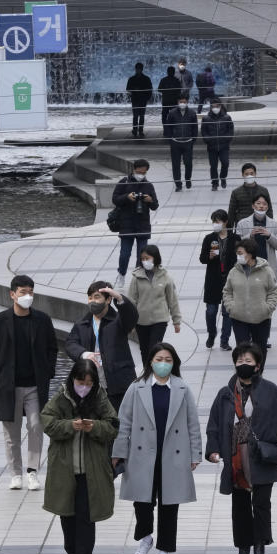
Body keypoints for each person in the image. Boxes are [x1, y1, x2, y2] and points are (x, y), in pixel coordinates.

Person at [205, 342, 277, 554]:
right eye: (239, 361)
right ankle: (243, 548)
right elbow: (214, 425)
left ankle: (260, 548)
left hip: (261, 457)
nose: (243, 365)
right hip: (236, 457)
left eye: (248, 361)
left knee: (261, 504)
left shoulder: (272, 392)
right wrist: (212, 450)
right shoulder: (225, 394)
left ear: (258, 366)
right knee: (239, 505)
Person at [112, 343, 201, 554]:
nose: (163, 364)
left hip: (173, 454)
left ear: (175, 363)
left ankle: (165, 550)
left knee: (170, 505)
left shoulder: (182, 388)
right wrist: (119, 452)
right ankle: (145, 537)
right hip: (142, 455)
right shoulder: (137, 387)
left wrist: (196, 453)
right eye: (159, 359)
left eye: (168, 360)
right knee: (142, 502)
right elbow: (124, 422)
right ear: (150, 361)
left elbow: (192, 423)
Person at [41, 359, 119, 554]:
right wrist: (68, 426)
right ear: (72, 379)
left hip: (91, 469)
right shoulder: (62, 396)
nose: (84, 386)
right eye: (80, 381)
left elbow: (113, 425)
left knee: (87, 515)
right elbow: (47, 421)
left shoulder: (100, 397)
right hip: (65, 468)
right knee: (67, 514)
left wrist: (94, 427)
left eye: (88, 382)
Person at [0, 275, 58, 490]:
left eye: (31, 292)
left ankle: (32, 472)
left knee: (36, 425)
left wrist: (49, 370)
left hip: (35, 384)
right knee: (11, 432)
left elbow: (52, 348)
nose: (27, 296)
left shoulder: (42, 320)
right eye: (23, 292)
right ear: (12, 294)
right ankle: (15, 474)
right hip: (9, 386)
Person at [65, 281, 139, 413]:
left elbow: (132, 316)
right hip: (91, 384)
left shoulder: (118, 321)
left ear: (108, 299)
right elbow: (70, 344)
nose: (92, 301)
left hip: (118, 384)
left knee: (118, 424)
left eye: (97, 297)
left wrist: (120, 298)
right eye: (90, 297)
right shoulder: (82, 323)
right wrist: (84, 354)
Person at [222, 239, 277, 352]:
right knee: (243, 351)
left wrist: (268, 308)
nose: (238, 256)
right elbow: (227, 291)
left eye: (240, 253)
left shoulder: (266, 271)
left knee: (260, 350)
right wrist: (231, 307)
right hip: (239, 318)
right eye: (237, 253)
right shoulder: (234, 271)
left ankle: (258, 369)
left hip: (261, 319)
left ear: (250, 253)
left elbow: (273, 290)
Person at [126, 245, 182, 358]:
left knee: (154, 349)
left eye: (147, 258)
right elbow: (131, 301)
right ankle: (147, 374)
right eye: (142, 259)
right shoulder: (136, 277)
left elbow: (172, 300)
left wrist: (176, 321)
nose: (145, 261)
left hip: (159, 320)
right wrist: (130, 322)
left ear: (155, 258)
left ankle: (153, 373)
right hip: (141, 321)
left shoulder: (165, 277)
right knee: (144, 350)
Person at [112, 159, 159, 290]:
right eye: (139, 172)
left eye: (144, 173)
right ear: (134, 170)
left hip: (143, 224)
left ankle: (139, 278)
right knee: (125, 254)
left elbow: (155, 205)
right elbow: (115, 199)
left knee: (142, 255)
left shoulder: (148, 185)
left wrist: (149, 200)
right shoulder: (124, 182)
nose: (141, 174)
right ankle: (121, 274)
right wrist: (127, 197)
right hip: (126, 224)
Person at [200, 210, 241, 351]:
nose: (215, 224)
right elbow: (202, 258)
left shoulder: (235, 238)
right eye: (214, 221)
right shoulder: (209, 238)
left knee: (227, 311)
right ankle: (211, 334)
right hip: (213, 279)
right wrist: (209, 256)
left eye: (218, 221)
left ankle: (225, 340)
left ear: (225, 222)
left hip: (229, 279)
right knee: (211, 310)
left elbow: (240, 257)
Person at [234, 193, 277, 281]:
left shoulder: (274, 224)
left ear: (267, 207)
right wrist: (250, 235)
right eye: (258, 203)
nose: (261, 206)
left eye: (264, 204)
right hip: (248, 265)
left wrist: (269, 236)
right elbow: (236, 245)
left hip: (267, 266)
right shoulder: (242, 223)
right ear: (253, 206)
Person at [165, 96, 198, 192]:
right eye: (180, 101)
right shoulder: (172, 113)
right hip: (175, 143)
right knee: (175, 165)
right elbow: (168, 127)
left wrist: (193, 139)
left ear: (187, 102)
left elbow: (195, 127)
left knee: (188, 163)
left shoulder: (192, 112)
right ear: (178, 102)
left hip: (188, 142)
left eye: (184, 102)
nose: (182, 103)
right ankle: (178, 184)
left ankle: (188, 179)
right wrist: (170, 139)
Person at [201, 98, 233, 191]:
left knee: (225, 163)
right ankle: (214, 183)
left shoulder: (227, 117)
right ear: (210, 107)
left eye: (217, 106)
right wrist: (208, 140)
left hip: (224, 146)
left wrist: (227, 139)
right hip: (212, 147)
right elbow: (204, 131)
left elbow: (230, 130)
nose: (215, 108)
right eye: (213, 106)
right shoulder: (206, 118)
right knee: (213, 166)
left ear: (220, 106)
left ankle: (223, 177)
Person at [126, 62, 153, 138]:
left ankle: (140, 130)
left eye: (139, 69)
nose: (138, 70)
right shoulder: (133, 79)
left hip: (141, 100)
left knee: (141, 115)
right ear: (136, 69)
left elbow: (150, 89)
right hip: (136, 99)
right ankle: (135, 130)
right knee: (136, 115)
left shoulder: (144, 79)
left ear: (141, 69)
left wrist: (147, 98)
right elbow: (128, 89)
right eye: (137, 69)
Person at [157, 67, 182, 136]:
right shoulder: (176, 80)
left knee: (164, 116)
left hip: (166, 100)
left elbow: (159, 89)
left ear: (167, 72)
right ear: (174, 72)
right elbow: (179, 91)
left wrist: (166, 90)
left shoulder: (163, 80)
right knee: (174, 116)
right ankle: (172, 130)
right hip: (173, 101)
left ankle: (165, 130)